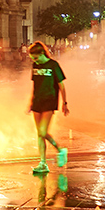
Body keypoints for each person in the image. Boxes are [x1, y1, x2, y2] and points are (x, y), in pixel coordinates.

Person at [27, 41, 68, 174]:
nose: (35, 60)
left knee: (43, 132)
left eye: (36, 57)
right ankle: (43, 163)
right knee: (39, 134)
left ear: (42, 53)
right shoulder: (35, 66)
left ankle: (60, 150)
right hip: (37, 102)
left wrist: (64, 103)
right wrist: (30, 102)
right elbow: (35, 86)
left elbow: (61, 85)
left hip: (49, 101)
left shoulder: (53, 65)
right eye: (33, 58)